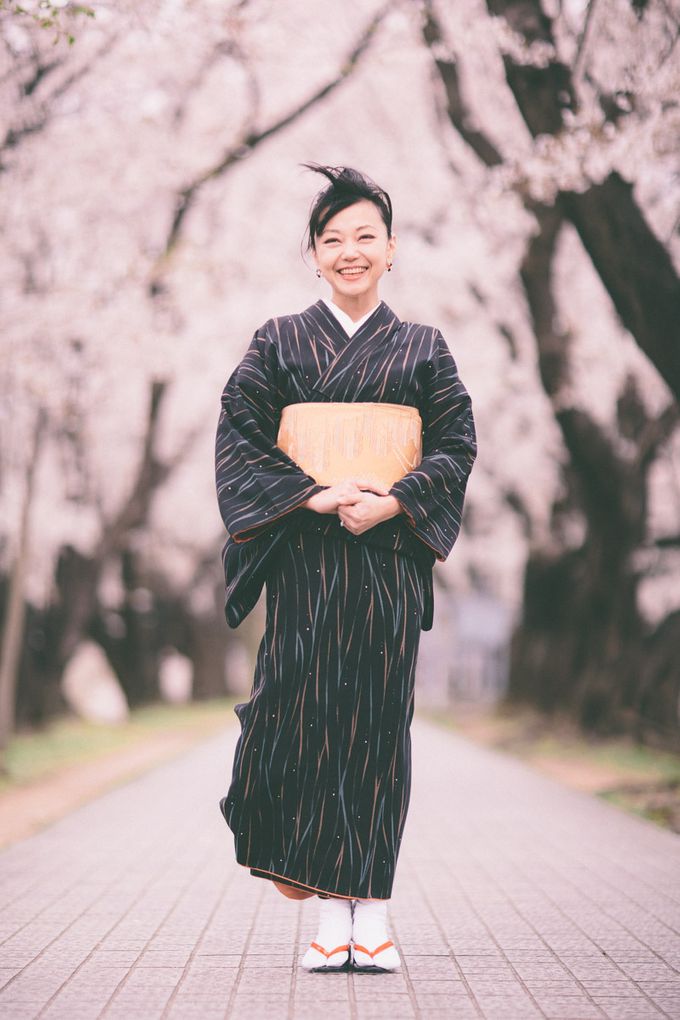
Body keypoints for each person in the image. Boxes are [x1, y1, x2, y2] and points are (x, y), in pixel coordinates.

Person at [214, 164, 476, 973]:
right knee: (303, 719)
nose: (350, 251)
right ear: (314, 255)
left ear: (391, 250)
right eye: (334, 239)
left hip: (388, 564)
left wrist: (397, 503)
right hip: (305, 559)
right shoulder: (278, 341)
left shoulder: (425, 348)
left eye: (366, 236)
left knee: (375, 725)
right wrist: (317, 496)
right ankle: (330, 910)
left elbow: (457, 443)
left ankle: (374, 912)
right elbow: (239, 437)